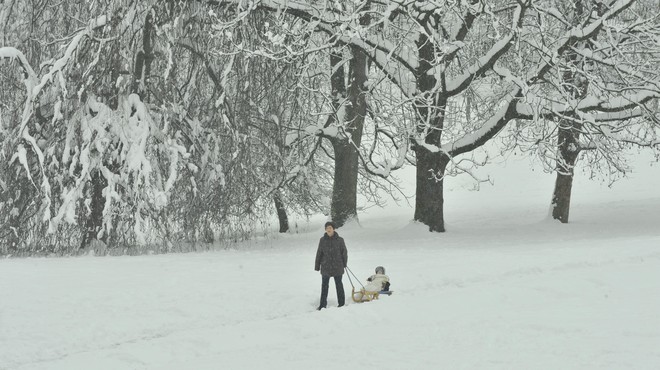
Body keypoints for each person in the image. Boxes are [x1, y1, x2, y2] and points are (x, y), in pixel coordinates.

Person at [314, 221, 348, 310]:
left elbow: (344, 253)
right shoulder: (322, 240)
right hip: (326, 267)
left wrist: (344, 264)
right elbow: (319, 253)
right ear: (325, 229)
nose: (328, 229)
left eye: (330, 228)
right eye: (327, 228)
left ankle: (341, 304)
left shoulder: (340, 240)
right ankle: (322, 305)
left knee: (339, 285)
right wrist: (317, 266)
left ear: (333, 229)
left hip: (338, 266)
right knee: (324, 286)